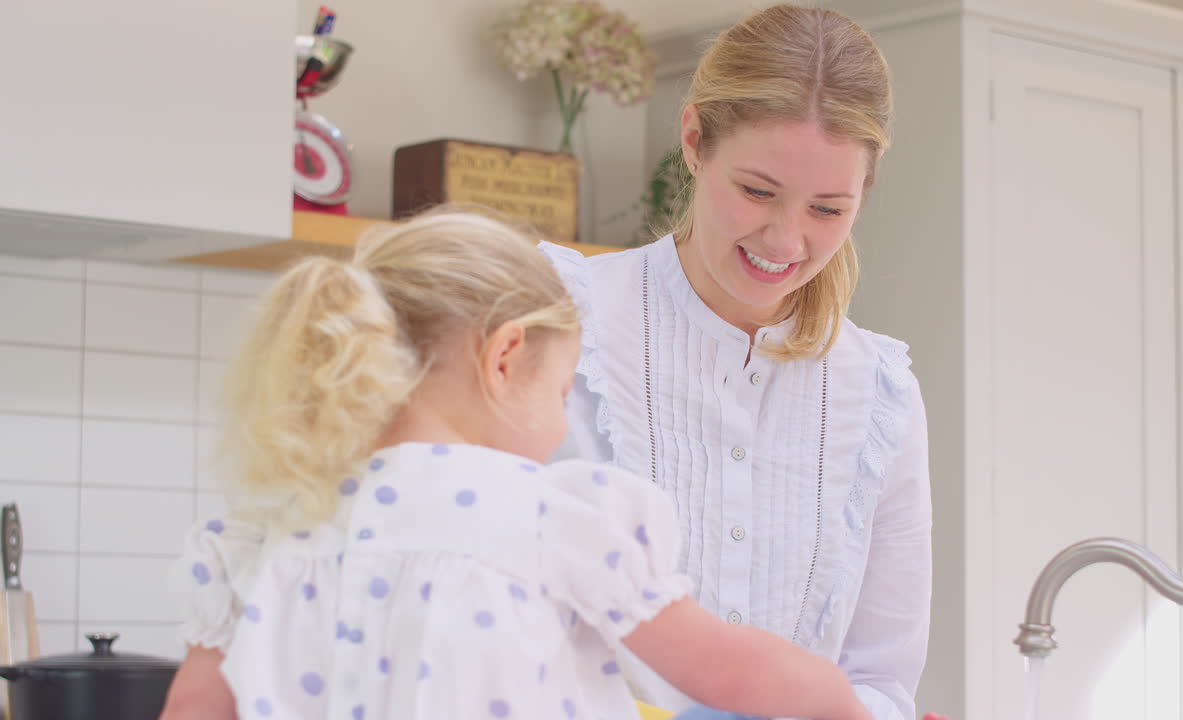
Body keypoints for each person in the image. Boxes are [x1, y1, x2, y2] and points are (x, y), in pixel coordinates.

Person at [162, 3, 933, 719]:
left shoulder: (260, 531)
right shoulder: (555, 329)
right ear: (694, 141)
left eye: (829, 209)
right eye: (759, 191)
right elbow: (741, 673)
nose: (786, 239)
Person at [159, 208, 872, 720]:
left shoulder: (266, 534)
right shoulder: (549, 519)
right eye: (563, 390)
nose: (564, 421)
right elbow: (721, 668)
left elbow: (195, 708)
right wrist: (840, 701)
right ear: (504, 358)